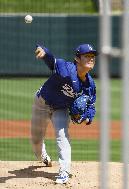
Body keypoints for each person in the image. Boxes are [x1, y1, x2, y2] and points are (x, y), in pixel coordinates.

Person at [30, 43, 97, 184]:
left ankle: (64, 172)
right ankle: (42, 155)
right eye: (87, 56)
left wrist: (87, 118)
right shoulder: (65, 68)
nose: (91, 59)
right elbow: (52, 60)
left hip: (60, 108)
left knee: (63, 136)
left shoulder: (89, 85)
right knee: (36, 140)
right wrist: (45, 52)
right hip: (42, 103)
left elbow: (91, 106)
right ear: (77, 58)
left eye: (93, 56)